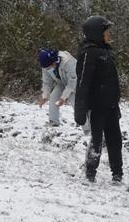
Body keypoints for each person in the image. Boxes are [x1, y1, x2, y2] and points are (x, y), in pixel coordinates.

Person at [73, 16, 123, 184]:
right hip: (96, 108)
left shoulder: (107, 52)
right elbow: (82, 83)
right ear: (97, 33)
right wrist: (79, 110)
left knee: (115, 140)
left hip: (110, 106)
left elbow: (112, 81)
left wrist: (116, 104)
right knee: (96, 141)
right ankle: (90, 173)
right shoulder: (88, 53)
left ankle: (117, 174)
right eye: (106, 31)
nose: (109, 34)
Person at [38, 47, 77, 126]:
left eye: (49, 67)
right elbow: (47, 82)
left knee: (75, 100)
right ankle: (54, 122)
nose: (48, 69)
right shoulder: (45, 64)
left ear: (53, 61)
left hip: (76, 82)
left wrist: (63, 97)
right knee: (53, 97)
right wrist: (45, 96)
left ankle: (84, 123)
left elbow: (72, 82)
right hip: (62, 82)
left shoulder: (67, 61)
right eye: (46, 68)